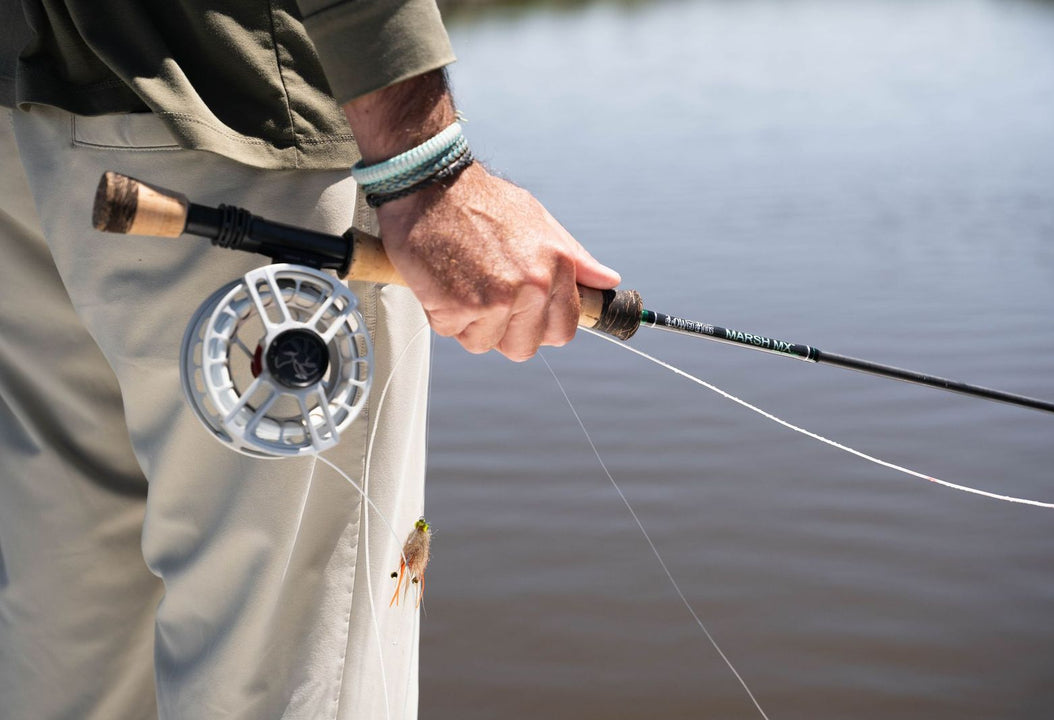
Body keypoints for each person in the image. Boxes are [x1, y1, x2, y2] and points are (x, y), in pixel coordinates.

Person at [0, 1, 620, 718]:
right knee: (282, 675)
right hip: (239, 119)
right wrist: (426, 161)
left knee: (70, 635)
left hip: (23, 124)